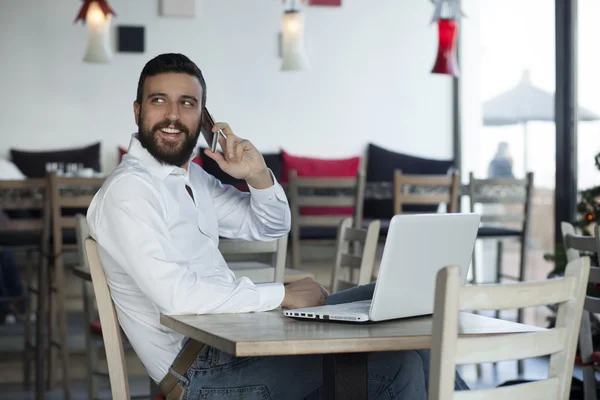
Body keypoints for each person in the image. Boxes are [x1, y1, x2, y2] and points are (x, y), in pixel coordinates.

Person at [87, 53, 469, 399]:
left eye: (187, 103)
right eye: (159, 101)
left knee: (397, 303)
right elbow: (178, 298)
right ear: (137, 111)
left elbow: (268, 224)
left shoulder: (191, 179)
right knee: (398, 363)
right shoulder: (129, 192)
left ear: (204, 120)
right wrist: (281, 295)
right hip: (200, 371)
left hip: (240, 334)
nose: (173, 115)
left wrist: (257, 175)